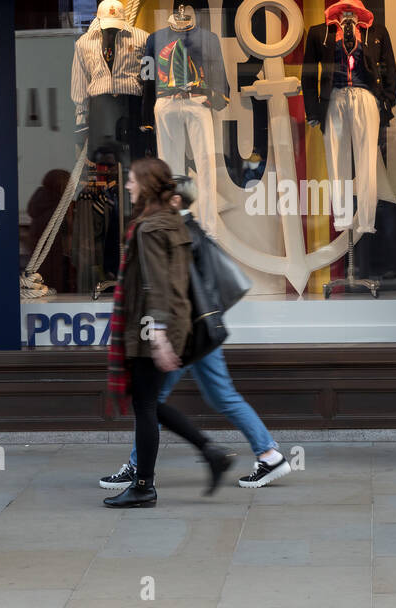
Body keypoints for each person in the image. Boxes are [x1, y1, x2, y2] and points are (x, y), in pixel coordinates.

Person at [99, 175, 291, 491]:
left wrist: (163, 335)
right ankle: (269, 455)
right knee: (220, 395)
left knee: (152, 400)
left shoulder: (177, 233)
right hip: (201, 333)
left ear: (175, 202)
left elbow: (173, 290)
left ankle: (138, 468)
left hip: (185, 336)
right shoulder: (192, 230)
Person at [103, 157, 235, 509]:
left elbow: (158, 285)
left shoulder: (149, 229)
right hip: (168, 323)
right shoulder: (173, 222)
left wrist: (159, 336)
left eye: (131, 180)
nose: (127, 186)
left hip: (150, 327)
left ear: (145, 185)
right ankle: (210, 453)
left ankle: (144, 485)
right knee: (148, 402)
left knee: (145, 405)